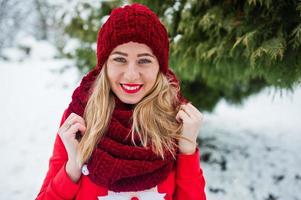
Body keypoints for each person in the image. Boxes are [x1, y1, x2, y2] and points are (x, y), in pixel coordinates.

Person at [36, 3, 206, 200]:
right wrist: (73, 167)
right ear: (104, 65)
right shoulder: (79, 119)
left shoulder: (176, 120)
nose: (132, 75)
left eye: (144, 60)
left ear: (159, 66)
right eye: (119, 59)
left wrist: (187, 149)